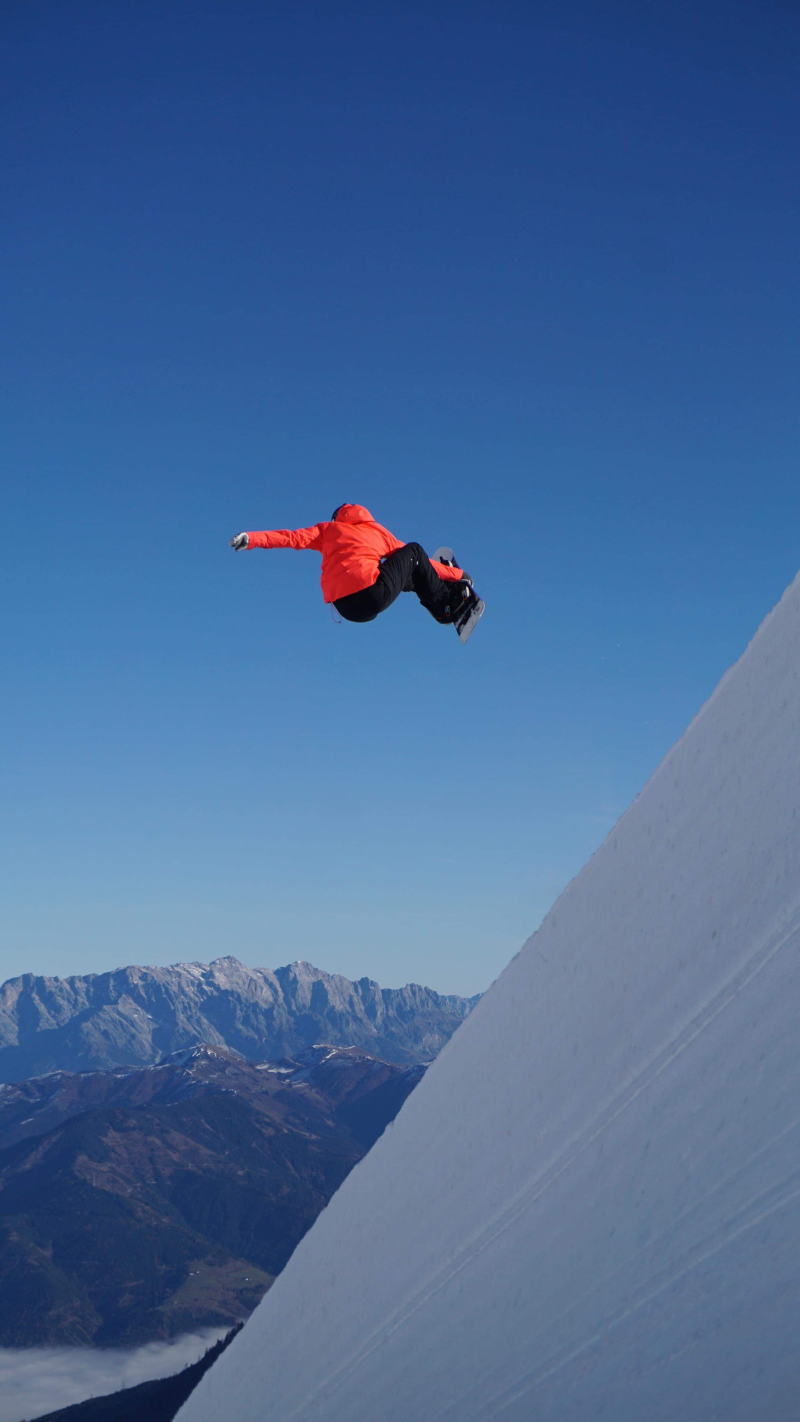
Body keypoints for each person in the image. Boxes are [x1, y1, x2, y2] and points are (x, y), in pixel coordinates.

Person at [229, 503, 478, 626]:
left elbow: (290, 538)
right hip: (371, 596)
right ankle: (444, 603)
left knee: (401, 569)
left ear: (336, 519)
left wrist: (251, 539)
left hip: (347, 610)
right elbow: (419, 560)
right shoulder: (376, 532)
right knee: (412, 552)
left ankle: (438, 594)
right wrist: (458, 574)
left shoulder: (326, 531)